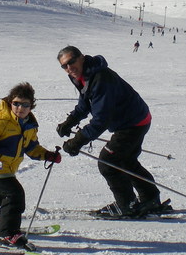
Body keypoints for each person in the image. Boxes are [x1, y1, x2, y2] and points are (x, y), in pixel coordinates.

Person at [55, 46, 170, 218]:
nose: (69, 68)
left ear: (82, 58)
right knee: (126, 161)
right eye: (64, 66)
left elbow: (101, 120)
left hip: (132, 123)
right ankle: (150, 198)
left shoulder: (100, 78)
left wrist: (77, 141)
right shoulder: (82, 76)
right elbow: (85, 104)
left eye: (71, 61)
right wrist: (70, 122)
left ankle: (126, 205)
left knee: (108, 162)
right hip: (135, 119)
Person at [0, 82, 61, 249]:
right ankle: (8, 233)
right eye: (16, 103)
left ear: (31, 106)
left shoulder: (29, 125)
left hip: (8, 168)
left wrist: (47, 155)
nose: (20, 108)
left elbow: (31, 147)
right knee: (14, 194)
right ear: (10, 103)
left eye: (25, 104)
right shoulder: (2, 120)